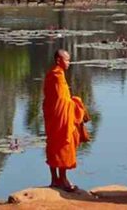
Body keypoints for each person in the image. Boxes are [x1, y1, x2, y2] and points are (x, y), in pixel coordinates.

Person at [43, 49, 90, 192]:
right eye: (67, 60)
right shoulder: (57, 76)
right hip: (59, 117)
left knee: (53, 144)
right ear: (59, 60)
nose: (69, 62)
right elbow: (62, 100)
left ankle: (54, 180)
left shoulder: (54, 74)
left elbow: (57, 99)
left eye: (69, 60)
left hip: (54, 116)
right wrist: (77, 104)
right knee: (63, 142)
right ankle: (62, 180)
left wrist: (72, 102)